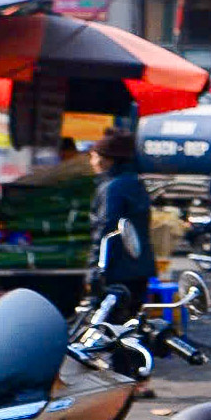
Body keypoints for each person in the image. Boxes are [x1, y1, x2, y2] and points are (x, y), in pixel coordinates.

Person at [87, 128, 155, 317]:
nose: (91, 162)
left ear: (105, 159)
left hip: (116, 271)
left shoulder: (113, 188)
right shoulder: (134, 183)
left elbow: (106, 230)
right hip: (140, 267)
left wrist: (95, 270)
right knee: (130, 324)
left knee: (109, 326)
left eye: (93, 156)